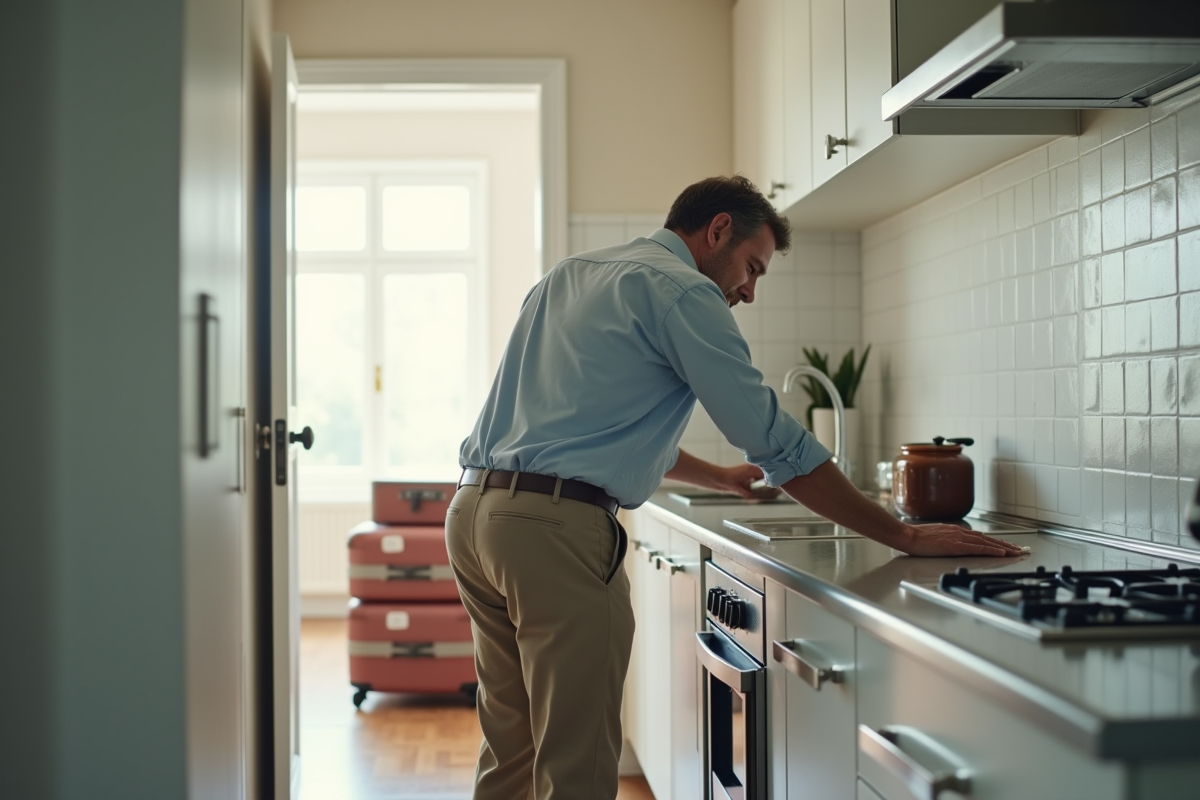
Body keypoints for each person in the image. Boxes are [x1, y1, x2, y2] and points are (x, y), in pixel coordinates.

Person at [445, 175, 1023, 800]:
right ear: (717, 229)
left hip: (477, 515)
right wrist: (901, 533)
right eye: (752, 267)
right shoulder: (683, 291)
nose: (746, 291)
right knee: (575, 759)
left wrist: (718, 478)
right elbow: (774, 441)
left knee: (512, 746)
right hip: (554, 535)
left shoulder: (571, 274)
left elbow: (590, 431)